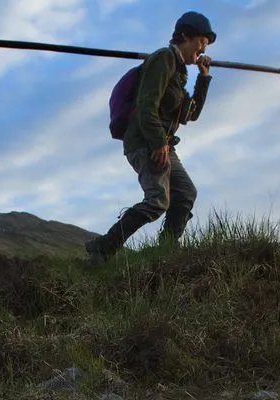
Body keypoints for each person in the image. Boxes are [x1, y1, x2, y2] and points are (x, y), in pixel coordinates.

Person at [86, 11, 216, 261]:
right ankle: (103, 247)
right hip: (146, 141)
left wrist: (204, 78)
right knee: (158, 200)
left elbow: (192, 114)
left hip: (164, 144)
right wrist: (157, 143)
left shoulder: (180, 73)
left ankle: (165, 250)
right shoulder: (164, 59)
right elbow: (146, 105)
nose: (203, 48)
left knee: (186, 193)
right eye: (202, 41)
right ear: (186, 37)